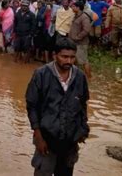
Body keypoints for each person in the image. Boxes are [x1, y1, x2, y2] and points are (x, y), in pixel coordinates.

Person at [25, 38, 89, 176]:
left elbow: (82, 105)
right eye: (64, 57)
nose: (69, 61)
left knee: (66, 171)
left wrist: (83, 129)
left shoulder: (80, 77)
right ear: (55, 55)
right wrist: (38, 136)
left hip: (70, 140)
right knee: (43, 172)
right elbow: (32, 106)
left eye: (72, 57)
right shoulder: (41, 75)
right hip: (47, 139)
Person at [69, 0, 92, 78]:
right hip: (74, 42)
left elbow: (86, 30)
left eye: (73, 6)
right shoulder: (75, 15)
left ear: (78, 8)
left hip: (81, 43)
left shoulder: (84, 17)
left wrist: (77, 37)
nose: (72, 8)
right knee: (75, 60)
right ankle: (77, 76)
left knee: (84, 61)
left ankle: (89, 78)